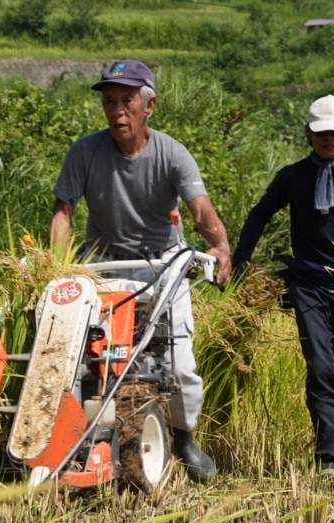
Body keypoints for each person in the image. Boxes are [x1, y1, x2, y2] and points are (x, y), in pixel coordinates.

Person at [49, 59, 232, 483]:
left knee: (179, 363)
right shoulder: (84, 151)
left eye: (126, 101)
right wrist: (55, 267)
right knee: (81, 357)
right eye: (109, 101)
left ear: (149, 106)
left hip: (163, 265)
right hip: (103, 265)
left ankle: (184, 436)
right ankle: (73, 435)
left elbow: (200, 209)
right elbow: (63, 213)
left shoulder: (171, 153)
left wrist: (220, 247)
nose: (116, 111)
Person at [232, 94, 334, 478]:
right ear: (308, 135)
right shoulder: (293, 177)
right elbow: (259, 215)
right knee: (322, 368)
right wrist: (241, 261)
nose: (329, 139)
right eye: (321, 132)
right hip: (309, 285)